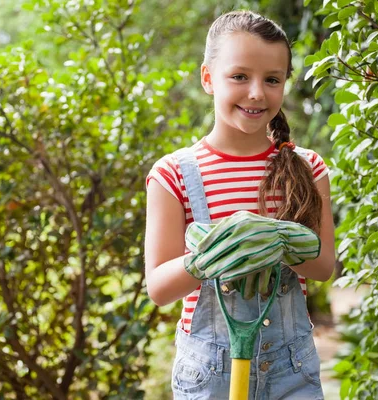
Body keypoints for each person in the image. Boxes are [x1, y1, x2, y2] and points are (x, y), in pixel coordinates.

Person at [144, 10, 335, 399]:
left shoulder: (307, 168)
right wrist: (208, 257)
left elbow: (323, 266)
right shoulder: (174, 174)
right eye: (239, 76)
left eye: (272, 80)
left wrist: (279, 240)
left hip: (291, 371)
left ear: (284, 84)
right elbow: (159, 288)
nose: (256, 93)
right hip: (209, 375)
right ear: (208, 77)